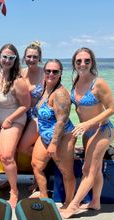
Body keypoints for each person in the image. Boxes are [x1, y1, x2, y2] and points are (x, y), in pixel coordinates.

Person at [61, 47, 114, 219]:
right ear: (74, 63)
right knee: (96, 168)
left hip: (102, 129)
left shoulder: (98, 83)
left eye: (87, 60)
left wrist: (88, 123)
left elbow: (112, 109)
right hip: (86, 132)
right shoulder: (76, 80)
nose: (83, 64)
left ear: (92, 62)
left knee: (88, 169)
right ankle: (95, 202)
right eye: (79, 61)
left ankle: (74, 206)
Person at [31, 59, 76, 205]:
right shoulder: (45, 87)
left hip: (62, 137)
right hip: (45, 136)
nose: (51, 74)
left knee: (66, 171)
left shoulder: (60, 94)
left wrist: (54, 144)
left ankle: (69, 203)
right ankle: (44, 197)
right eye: (48, 71)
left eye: (55, 71)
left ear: (60, 73)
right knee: (36, 165)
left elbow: (61, 121)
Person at [0, 43, 30, 208]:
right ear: (0, 57)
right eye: (5, 57)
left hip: (14, 121)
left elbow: (26, 105)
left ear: (15, 60)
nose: (7, 60)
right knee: (10, 156)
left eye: (11, 57)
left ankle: (14, 192)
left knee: (7, 156)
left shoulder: (18, 81)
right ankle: (9, 182)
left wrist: (9, 119)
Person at [17, 41, 44, 193]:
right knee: (13, 148)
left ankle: (40, 176)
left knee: (23, 147)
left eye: (35, 57)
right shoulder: (20, 72)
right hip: (21, 113)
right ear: (24, 57)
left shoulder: (44, 73)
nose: (31, 59)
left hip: (37, 116)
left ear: (39, 58)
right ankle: (11, 180)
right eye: (29, 56)